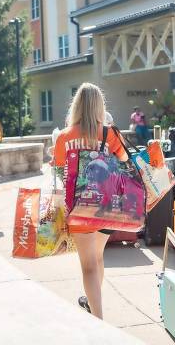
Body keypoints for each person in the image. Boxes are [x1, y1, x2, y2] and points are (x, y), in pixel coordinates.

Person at [52, 83, 129, 320]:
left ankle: (98, 319)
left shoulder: (64, 137)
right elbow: (125, 159)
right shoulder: (110, 133)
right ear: (99, 106)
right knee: (97, 258)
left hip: (79, 208)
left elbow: (58, 170)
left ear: (76, 106)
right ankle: (92, 301)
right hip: (108, 206)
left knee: (88, 265)